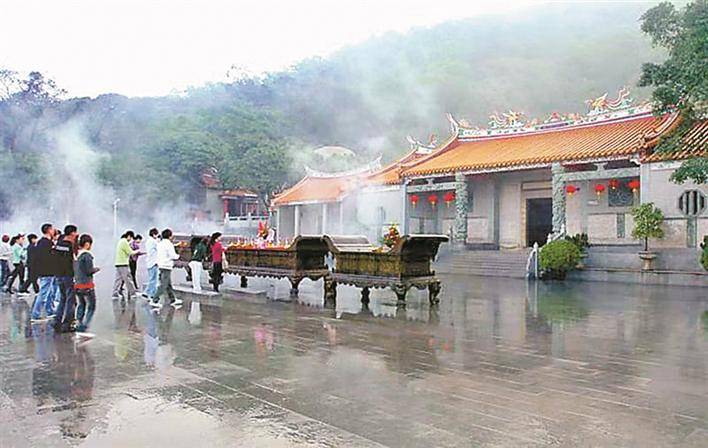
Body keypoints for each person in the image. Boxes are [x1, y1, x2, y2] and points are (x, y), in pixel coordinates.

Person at [53, 224, 79, 333]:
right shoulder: (69, 246)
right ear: (72, 233)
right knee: (70, 300)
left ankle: (57, 321)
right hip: (68, 275)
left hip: (59, 275)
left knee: (63, 299)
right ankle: (67, 323)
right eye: (75, 232)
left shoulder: (59, 243)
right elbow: (73, 261)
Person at [75, 234, 100, 333]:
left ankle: (79, 322)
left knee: (81, 304)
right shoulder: (87, 256)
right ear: (87, 244)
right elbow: (89, 270)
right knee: (92, 306)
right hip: (87, 285)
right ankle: (84, 326)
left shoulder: (77, 254)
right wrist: (96, 269)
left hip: (77, 284)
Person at [31, 223, 57, 320]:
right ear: (49, 230)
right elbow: (50, 257)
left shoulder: (40, 242)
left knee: (49, 292)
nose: (54, 231)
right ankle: (35, 315)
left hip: (42, 270)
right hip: (48, 271)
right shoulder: (48, 243)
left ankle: (50, 311)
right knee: (43, 293)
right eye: (53, 229)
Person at [151, 228, 181, 309]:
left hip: (161, 265)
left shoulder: (160, 244)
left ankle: (173, 300)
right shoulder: (169, 244)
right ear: (170, 236)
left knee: (168, 285)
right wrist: (179, 255)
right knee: (164, 285)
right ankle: (154, 300)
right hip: (166, 266)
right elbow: (173, 256)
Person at [112, 230, 140, 300]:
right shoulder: (124, 242)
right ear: (129, 236)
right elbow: (130, 252)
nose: (130, 240)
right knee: (128, 278)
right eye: (131, 238)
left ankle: (114, 294)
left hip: (118, 263)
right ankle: (133, 293)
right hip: (123, 263)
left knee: (118, 280)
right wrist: (138, 251)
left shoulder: (121, 241)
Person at [143, 228, 159, 299]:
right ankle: (147, 292)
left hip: (150, 262)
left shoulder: (148, 241)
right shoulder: (153, 241)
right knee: (153, 279)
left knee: (153, 279)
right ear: (154, 234)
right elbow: (160, 247)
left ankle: (153, 294)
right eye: (156, 234)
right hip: (153, 262)